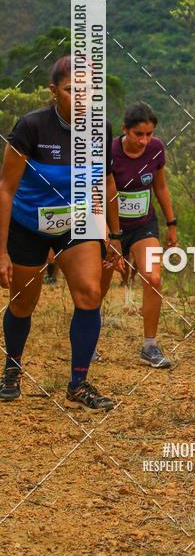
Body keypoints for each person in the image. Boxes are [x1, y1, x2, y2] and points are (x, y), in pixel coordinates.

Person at [0, 56, 123, 410]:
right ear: (55, 92)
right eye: (72, 90)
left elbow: (106, 179)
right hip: (28, 225)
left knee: (89, 293)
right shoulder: (31, 127)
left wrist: (114, 235)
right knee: (23, 303)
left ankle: (78, 383)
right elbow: (6, 188)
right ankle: (12, 368)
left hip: (75, 223)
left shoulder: (101, 128)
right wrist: (2, 252)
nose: (82, 98)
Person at [108, 101, 176, 368]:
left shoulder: (156, 149)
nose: (145, 140)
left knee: (153, 277)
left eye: (149, 134)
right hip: (110, 227)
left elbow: (160, 187)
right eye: (139, 134)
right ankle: (87, 344)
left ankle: (150, 346)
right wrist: (108, 235)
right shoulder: (110, 151)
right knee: (97, 287)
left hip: (143, 225)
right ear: (125, 129)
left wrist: (172, 223)